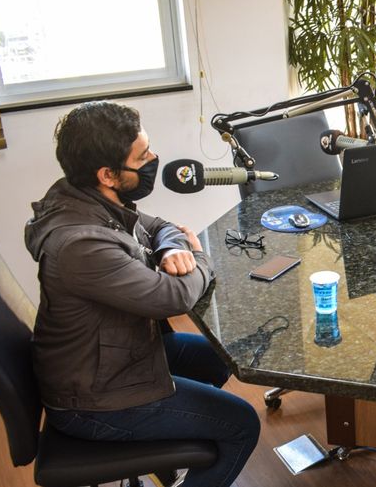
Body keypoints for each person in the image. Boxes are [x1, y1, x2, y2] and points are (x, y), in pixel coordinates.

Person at [24, 101, 260, 487]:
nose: (153, 160)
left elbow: (161, 226)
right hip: (95, 399)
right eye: (143, 156)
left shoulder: (87, 198)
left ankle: (178, 437)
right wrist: (198, 257)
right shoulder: (81, 244)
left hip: (114, 355)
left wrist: (171, 250)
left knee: (221, 359)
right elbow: (173, 298)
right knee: (242, 424)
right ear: (108, 174)